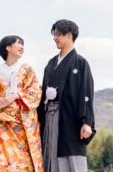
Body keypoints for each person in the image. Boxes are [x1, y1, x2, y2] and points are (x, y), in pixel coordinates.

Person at [37, 19, 95, 172]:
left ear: (69, 35)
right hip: (49, 116)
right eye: (54, 35)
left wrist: (87, 122)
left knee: (71, 156)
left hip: (69, 118)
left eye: (58, 34)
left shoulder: (80, 63)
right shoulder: (50, 64)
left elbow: (86, 93)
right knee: (49, 155)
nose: (55, 38)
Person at [0, 35, 44, 172]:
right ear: (8, 47)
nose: (22, 47)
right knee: (2, 160)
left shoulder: (27, 69)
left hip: (22, 124)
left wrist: (15, 96)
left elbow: (36, 90)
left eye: (23, 44)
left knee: (24, 160)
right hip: (2, 124)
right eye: (18, 44)